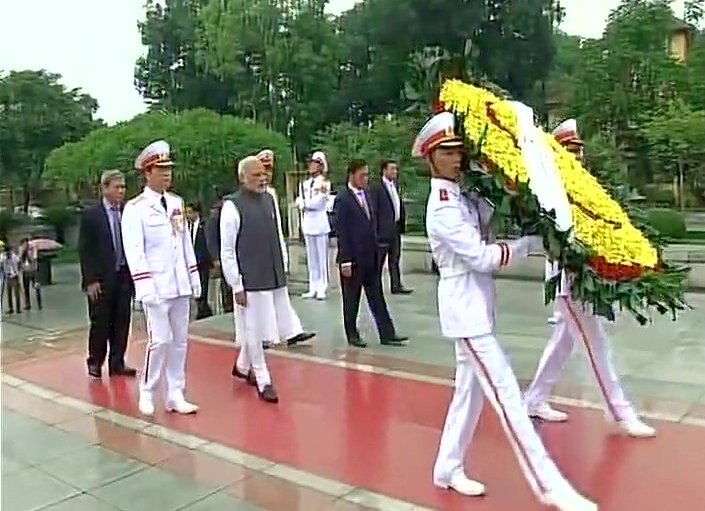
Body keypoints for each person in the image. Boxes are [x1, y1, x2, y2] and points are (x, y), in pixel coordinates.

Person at [417, 111, 597, 511]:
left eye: (459, 150)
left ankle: (447, 467)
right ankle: (550, 487)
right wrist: (528, 244)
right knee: (508, 398)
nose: (457, 158)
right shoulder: (443, 206)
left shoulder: (461, 194)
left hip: (476, 309)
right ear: (430, 158)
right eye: (447, 152)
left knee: (469, 395)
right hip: (465, 313)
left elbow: (490, 213)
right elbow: (481, 257)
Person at [524, 119, 655, 438]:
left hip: (584, 275)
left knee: (564, 342)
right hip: (567, 277)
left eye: (579, 150)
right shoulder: (550, 187)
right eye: (570, 150)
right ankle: (619, 411)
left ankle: (534, 399)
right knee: (596, 344)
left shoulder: (582, 184)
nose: (577, 156)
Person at [221, 156, 313, 403]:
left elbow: (277, 234)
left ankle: (242, 366)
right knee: (254, 329)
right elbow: (227, 250)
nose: (262, 179)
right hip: (250, 279)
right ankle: (263, 378)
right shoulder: (232, 206)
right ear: (243, 178)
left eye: (263, 174)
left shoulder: (269, 198)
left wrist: (282, 264)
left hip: (272, 274)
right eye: (256, 175)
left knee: (266, 326)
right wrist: (236, 284)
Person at [122, 140, 200, 416]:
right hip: (155, 285)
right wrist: (144, 287)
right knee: (161, 340)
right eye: (161, 169)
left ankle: (176, 393)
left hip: (179, 282)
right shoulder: (136, 208)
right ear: (147, 172)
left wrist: (194, 278)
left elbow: (184, 242)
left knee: (180, 341)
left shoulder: (176, 203)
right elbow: (135, 251)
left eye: (169, 169)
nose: (167, 174)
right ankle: (148, 389)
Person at [333, 159, 408, 348]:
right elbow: (342, 231)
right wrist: (345, 260)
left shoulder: (367, 195)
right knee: (352, 299)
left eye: (367, 175)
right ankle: (352, 333)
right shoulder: (343, 199)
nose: (365, 179)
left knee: (377, 297)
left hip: (371, 256)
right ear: (351, 175)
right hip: (353, 257)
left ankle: (387, 333)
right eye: (362, 175)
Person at [78, 170, 136, 378]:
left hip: (124, 276)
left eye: (123, 187)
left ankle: (117, 362)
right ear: (105, 188)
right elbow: (85, 250)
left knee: (122, 320)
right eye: (117, 187)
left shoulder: (129, 212)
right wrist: (90, 280)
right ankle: (95, 361)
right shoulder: (92, 215)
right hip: (101, 278)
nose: (121, 191)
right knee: (101, 322)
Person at [369, 159, 413, 294]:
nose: (395, 172)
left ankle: (396, 285)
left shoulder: (395, 186)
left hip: (395, 228)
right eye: (392, 169)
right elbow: (374, 210)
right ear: (384, 170)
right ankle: (374, 286)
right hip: (382, 231)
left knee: (395, 259)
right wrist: (375, 231)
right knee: (379, 261)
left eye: (396, 169)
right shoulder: (377, 187)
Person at [295, 151, 330, 300]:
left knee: (322, 258)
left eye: (314, 163)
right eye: (310, 163)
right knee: (312, 258)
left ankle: (322, 286)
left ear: (321, 165)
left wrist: (303, 204)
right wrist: (302, 203)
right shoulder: (304, 184)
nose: (311, 166)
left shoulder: (324, 183)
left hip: (320, 222)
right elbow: (298, 199)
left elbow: (319, 202)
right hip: (308, 223)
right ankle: (313, 286)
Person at [205, 196, 234, 314]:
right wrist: (216, 258)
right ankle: (228, 306)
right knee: (226, 282)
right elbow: (211, 238)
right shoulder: (215, 216)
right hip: (223, 255)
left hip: (234, 254)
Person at [186, 202, 214, 319]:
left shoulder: (205, 224)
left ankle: (203, 310)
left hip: (203, 262)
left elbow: (208, 243)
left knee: (203, 286)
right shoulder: (187, 226)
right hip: (192, 263)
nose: (187, 215)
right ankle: (201, 308)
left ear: (196, 212)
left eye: (189, 212)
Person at [18, 238, 42, 310]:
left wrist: (29, 254)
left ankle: (39, 304)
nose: (24, 245)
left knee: (37, 287)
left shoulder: (32, 250)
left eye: (26, 244)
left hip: (33, 271)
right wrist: (22, 252)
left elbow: (34, 260)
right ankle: (27, 304)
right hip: (25, 272)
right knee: (26, 289)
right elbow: (19, 260)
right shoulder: (21, 251)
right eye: (23, 244)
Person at [1, 243, 21, 314]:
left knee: (17, 293)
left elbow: (18, 263)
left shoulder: (14, 257)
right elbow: (1, 262)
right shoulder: (3, 257)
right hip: (7, 276)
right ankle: (10, 308)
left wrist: (17, 272)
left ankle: (18, 308)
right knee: (8, 293)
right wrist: (4, 258)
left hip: (14, 276)